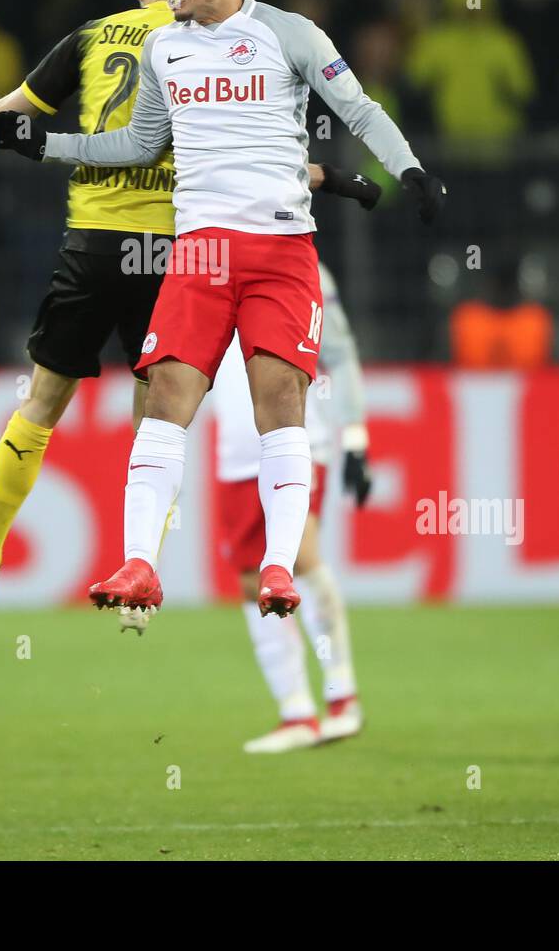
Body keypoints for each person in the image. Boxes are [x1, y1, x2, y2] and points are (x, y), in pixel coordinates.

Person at [0, 0, 444, 619]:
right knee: (166, 399)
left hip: (281, 249)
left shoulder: (291, 34)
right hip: (199, 254)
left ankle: (278, 569)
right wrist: (47, 144)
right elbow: (137, 146)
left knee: (280, 404)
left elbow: (357, 108)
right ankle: (139, 565)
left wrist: (410, 169)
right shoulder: (162, 47)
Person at [0, 0, 377, 607]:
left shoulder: (89, 39)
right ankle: (143, 565)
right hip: (175, 255)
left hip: (93, 247)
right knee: (160, 416)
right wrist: (337, 179)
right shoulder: (203, 41)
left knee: (41, 404)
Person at [213, 262, 370, 752]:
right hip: (236, 448)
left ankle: (341, 696)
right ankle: (296, 711)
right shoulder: (200, 261)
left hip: (302, 434)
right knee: (247, 579)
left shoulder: (304, 265)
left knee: (299, 558)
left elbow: (339, 354)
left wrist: (357, 437)